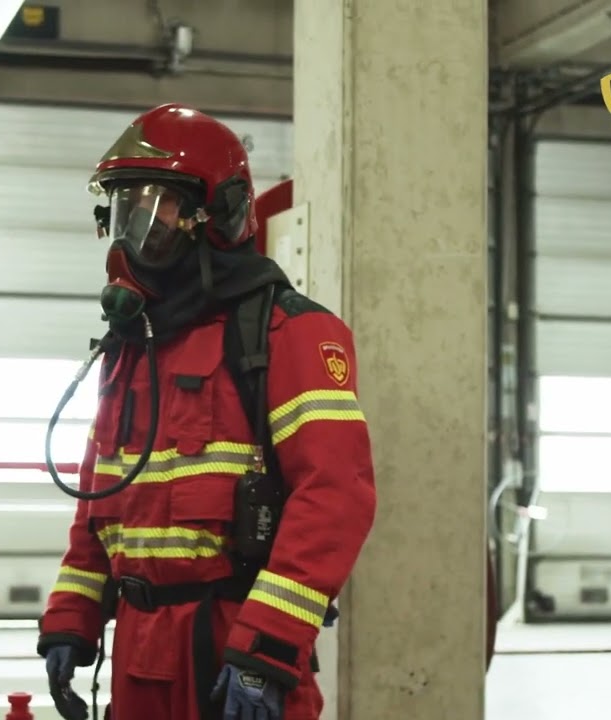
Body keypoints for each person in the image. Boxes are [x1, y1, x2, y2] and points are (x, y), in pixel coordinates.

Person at [36, 104, 378, 720]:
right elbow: (100, 501)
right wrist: (72, 617)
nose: (135, 227)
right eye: (122, 207)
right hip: (139, 657)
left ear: (217, 214)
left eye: (157, 204)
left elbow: (335, 496)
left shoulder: (287, 333)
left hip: (234, 652)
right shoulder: (131, 345)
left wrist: (266, 649)